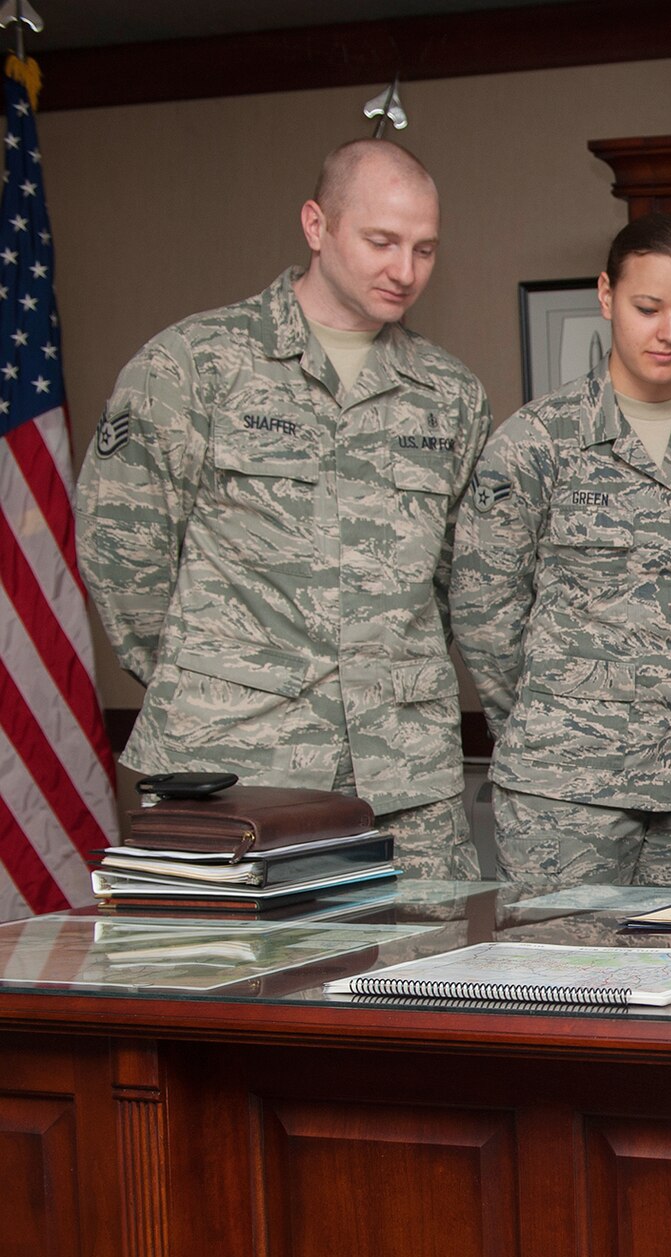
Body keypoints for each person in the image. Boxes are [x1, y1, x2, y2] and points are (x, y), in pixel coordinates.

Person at [77, 140, 489, 877]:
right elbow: (124, 560)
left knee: (424, 973)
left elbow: (458, 582)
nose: (405, 271)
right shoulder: (194, 365)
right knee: (228, 978)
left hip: (403, 778)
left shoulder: (451, 395)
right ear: (315, 225)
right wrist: (225, 675)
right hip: (236, 767)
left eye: (425, 250)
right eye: (381, 242)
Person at [451, 214, 671, 888]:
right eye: (647, 308)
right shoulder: (536, 443)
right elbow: (485, 611)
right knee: (558, 981)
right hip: (564, 789)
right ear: (605, 295)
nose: (669, 332)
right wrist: (555, 715)